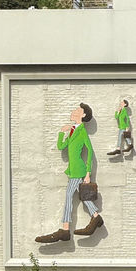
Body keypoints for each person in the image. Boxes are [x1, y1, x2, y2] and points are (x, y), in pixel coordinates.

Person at [35, 103, 104, 243]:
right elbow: (61, 146)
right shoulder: (73, 130)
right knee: (83, 197)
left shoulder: (82, 131)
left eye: (78, 110)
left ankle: (66, 229)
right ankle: (96, 217)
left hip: (79, 169)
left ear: (83, 115)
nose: (74, 111)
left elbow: (90, 151)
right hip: (73, 170)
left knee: (69, 196)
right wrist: (62, 132)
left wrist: (88, 172)